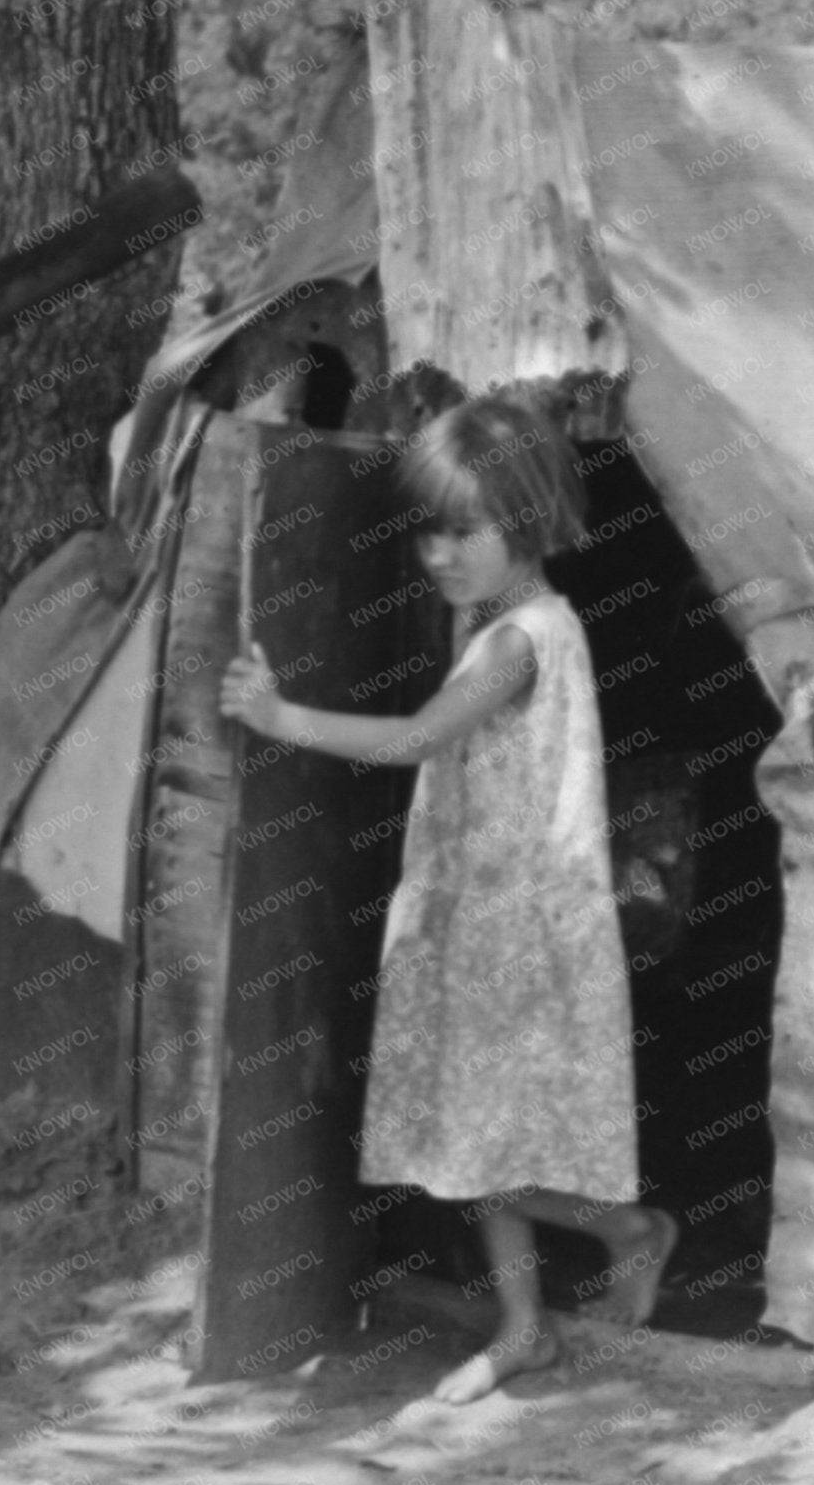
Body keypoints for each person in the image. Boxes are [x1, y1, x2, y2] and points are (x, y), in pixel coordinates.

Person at [218, 394, 672, 1405]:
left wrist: (275, 712)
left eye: (464, 530)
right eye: (428, 528)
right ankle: (521, 1328)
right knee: (473, 1134)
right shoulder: (505, 624)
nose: (438, 552)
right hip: (479, 917)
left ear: (533, 515)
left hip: (521, 925)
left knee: (489, 1142)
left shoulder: (520, 640)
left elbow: (415, 739)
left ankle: (629, 1230)